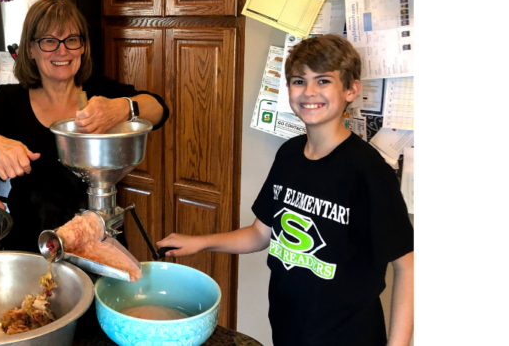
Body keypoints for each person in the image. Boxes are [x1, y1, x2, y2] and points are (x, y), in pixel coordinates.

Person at [158, 34, 414, 346]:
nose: (309, 92)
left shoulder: (368, 170)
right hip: (288, 327)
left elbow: (408, 266)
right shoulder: (289, 155)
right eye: (298, 81)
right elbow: (260, 234)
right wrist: (199, 242)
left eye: (323, 81)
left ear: (351, 90)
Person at [0, 0, 169, 252]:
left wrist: (123, 107)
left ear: (82, 47)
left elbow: (159, 109)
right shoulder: (10, 101)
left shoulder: (99, 92)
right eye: (49, 41)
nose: (62, 51)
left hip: (99, 242)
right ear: (30, 49)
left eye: (71, 40)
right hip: (32, 246)